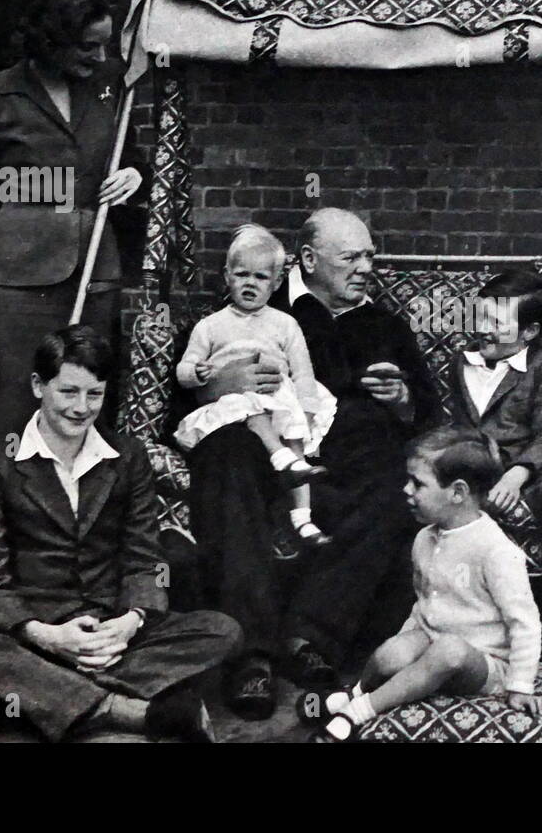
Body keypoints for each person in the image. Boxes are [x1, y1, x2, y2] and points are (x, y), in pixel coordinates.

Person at [0, 325, 242, 742]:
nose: (81, 407)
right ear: (39, 386)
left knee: (222, 631)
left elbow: (143, 558)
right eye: (69, 392)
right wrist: (50, 637)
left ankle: (26, 700)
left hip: (111, 632)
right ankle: (125, 710)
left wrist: (130, 622)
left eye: (94, 394)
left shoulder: (127, 457)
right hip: (36, 634)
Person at [187, 207, 437, 719]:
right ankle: (249, 655)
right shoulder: (254, 308)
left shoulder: (386, 325)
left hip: (356, 457)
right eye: (351, 257)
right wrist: (221, 384)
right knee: (226, 456)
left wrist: (403, 398)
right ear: (308, 259)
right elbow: (189, 391)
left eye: (370, 255)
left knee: (397, 479)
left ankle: (311, 635)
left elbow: (430, 414)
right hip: (263, 445)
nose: (366, 266)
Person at [0, 0, 147, 496]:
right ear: (50, 39)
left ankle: (75, 540)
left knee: (83, 408)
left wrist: (134, 177)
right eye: (87, 46)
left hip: (94, 272)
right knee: (9, 413)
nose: (100, 56)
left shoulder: (110, 87)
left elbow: (130, 159)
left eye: (104, 44)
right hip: (15, 286)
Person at [305, 426, 542, 742]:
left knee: (449, 651)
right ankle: (355, 692)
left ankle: (360, 711)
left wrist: (520, 686)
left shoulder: (496, 551)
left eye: (417, 483)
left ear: (457, 493)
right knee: (391, 652)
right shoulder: (424, 537)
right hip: (434, 639)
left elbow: (525, 623)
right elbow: (423, 603)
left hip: (483, 662)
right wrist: (403, 650)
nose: (406, 490)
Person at [442, 269, 542, 666]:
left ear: (528, 333)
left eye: (496, 323)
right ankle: (452, 627)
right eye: (480, 316)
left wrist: (519, 472)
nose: (482, 329)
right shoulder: (463, 363)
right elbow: (461, 427)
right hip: (490, 463)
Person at [174, 224, 334, 546]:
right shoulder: (211, 326)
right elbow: (185, 368)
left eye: (261, 277)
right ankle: (278, 457)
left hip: (279, 398)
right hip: (235, 404)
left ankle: (302, 519)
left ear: (275, 283)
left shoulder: (285, 324)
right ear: (227, 276)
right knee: (249, 410)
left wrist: (307, 409)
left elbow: (302, 371)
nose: (250, 283)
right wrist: (199, 373)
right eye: (242, 274)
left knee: (297, 446)